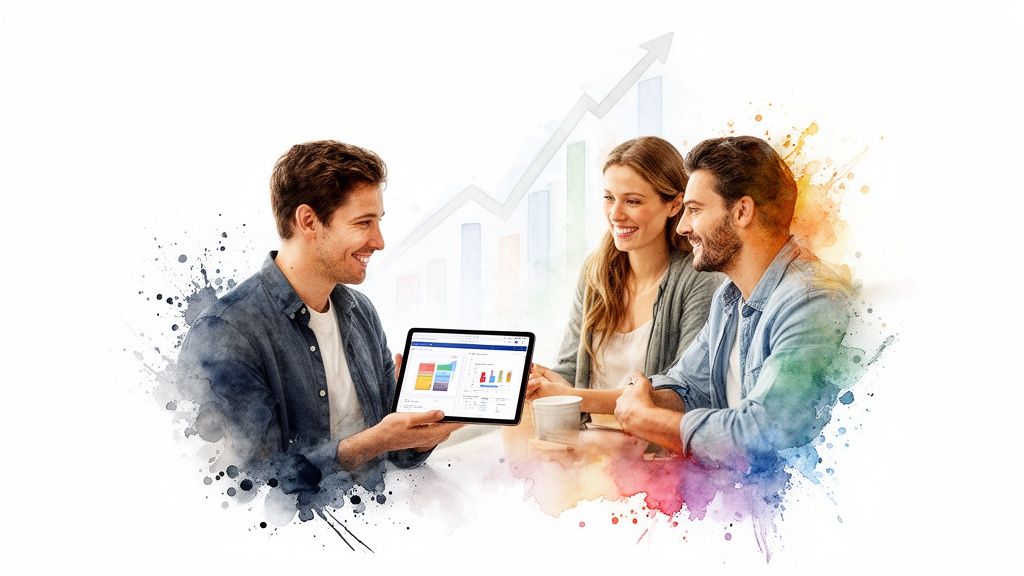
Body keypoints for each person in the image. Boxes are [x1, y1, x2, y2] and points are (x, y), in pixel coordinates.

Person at [175, 140, 462, 499]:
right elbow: (254, 486)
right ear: (308, 221)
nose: (379, 241)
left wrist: (425, 426)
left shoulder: (361, 314)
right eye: (363, 223)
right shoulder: (224, 335)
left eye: (379, 222)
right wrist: (370, 443)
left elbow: (399, 455)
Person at [612, 135, 855, 473]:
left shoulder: (812, 300)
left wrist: (651, 420)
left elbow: (763, 434)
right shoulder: (729, 298)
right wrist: (645, 396)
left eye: (694, 210)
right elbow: (688, 386)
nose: (682, 227)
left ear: (742, 211)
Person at [528, 136, 723, 414]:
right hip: (587, 444)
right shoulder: (596, 271)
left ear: (674, 205)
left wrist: (572, 396)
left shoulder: (700, 279)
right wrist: (542, 381)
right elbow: (572, 372)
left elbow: (683, 394)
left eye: (632, 201)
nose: (615, 215)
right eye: (609, 198)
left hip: (652, 451)